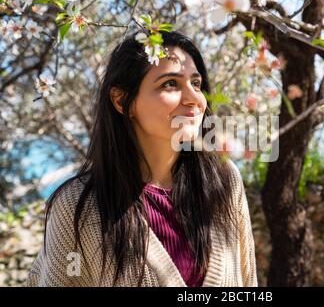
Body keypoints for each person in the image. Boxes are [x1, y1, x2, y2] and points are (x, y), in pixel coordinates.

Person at [25, 30, 258, 287]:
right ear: (122, 101)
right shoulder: (76, 207)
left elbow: (248, 281)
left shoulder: (224, 181)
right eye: (170, 83)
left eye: (196, 83)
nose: (194, 99)